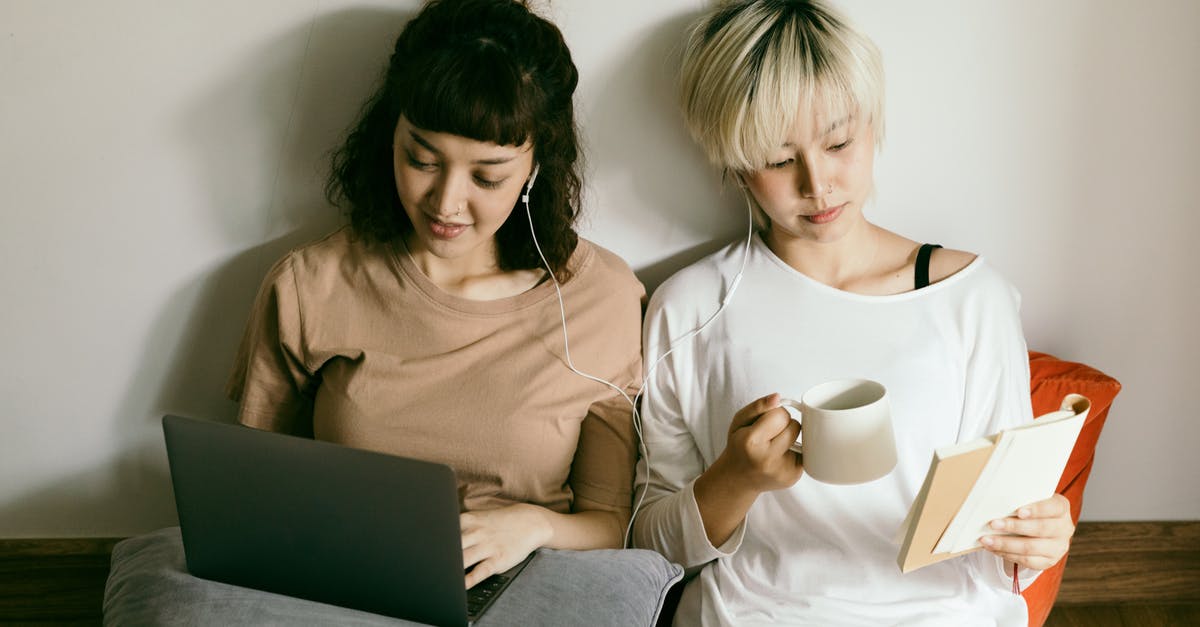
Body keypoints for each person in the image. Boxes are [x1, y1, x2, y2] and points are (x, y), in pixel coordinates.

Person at [631, 1, 1075, 625]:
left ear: (872, 126)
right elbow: (648, 548)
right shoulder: (691, 307)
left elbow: (1003, 542)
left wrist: (1039, 538)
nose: (819, 183)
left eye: (840, 142)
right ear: (733, 162)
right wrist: (735, 478)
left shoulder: (972, 298)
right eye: (780, 159)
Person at [227, 0, 644, 593]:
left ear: (535, 168)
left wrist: (531, 526)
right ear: (388, 136)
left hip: (524, 585)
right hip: (344, 580)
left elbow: (610, 525)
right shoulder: (311, 284)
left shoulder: (601, 298)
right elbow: (252, 488)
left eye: (487, 177)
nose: (446, 203)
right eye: (421, 159)